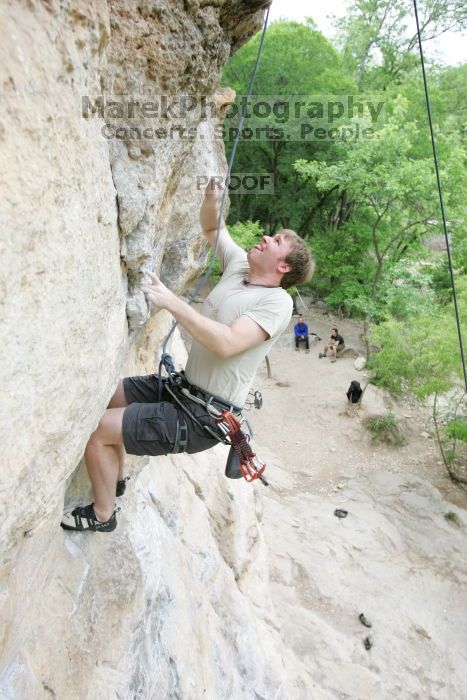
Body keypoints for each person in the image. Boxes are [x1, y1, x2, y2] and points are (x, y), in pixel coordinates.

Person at [61, 179, 315, 532]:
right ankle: (115, 478)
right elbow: (213, 227)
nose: (266, 238)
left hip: (203, 416)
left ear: (283, 267)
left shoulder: (276, 303)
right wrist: (211, 197)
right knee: (107, 397)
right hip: (185, 389)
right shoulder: (241, 266)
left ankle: (103, 515)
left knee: (98, 432)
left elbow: (226, 343)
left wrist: (171, 302)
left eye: (276, 242)